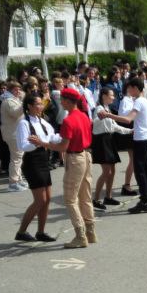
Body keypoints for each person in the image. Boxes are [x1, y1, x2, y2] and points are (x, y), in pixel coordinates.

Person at [36, 88, 96, 248]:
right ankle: (90, 232)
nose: (60, 102)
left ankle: (80, 235)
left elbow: (63, 146)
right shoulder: (83, 116)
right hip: (85, 155)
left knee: (70, 199)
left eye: (62, 100)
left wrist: (43, 143)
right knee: (86, 196)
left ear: (69, 101)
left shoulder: (69, 121)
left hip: (75, 158)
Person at [102, 78, 147, 213]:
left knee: (141, 171)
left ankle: (145, 201)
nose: (128, 90)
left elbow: (127, 119)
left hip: (141, 139)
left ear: (136, 88)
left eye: (130, 88)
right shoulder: (145, 101)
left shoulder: (138, 101)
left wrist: (109, 115)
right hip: (146, 137)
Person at [13, 94, 58, 243]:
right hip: (32, 162)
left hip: (44, 160)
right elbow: (22, 146)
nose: (41, 106)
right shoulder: (23, 124)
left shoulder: (42, 122)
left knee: (48, 199)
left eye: (41, 103)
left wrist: (65, 137)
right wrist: (38, 143)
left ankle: (41, 231)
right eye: (38, 104)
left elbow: (52, 136)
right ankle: (21, 231)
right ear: (30, 106)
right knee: (40, 200)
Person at [90, 87, 128, 210]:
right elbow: (94, 122)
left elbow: (114, 126)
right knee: (107, 171)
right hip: (101, 141)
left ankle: (108, 196)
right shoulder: (99, 109)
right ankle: (95, 199)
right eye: (112, 95)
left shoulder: (107, 109)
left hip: (109, 140)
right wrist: (99, 118)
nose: (113, 97)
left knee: (113, 170)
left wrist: (129, 131)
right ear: (104, 96)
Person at [0, 82, 26, 191]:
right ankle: (13, 182)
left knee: (18, 157)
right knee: (16, 158)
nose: (18, 92)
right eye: (16, 90)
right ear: (10, 90)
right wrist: (24, 104)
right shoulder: (8, 101)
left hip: (17, 133)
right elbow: (15, 113)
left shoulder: (15, 99)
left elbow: (24, 95)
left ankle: (18, 179)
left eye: (19, 89)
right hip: (13, 134)